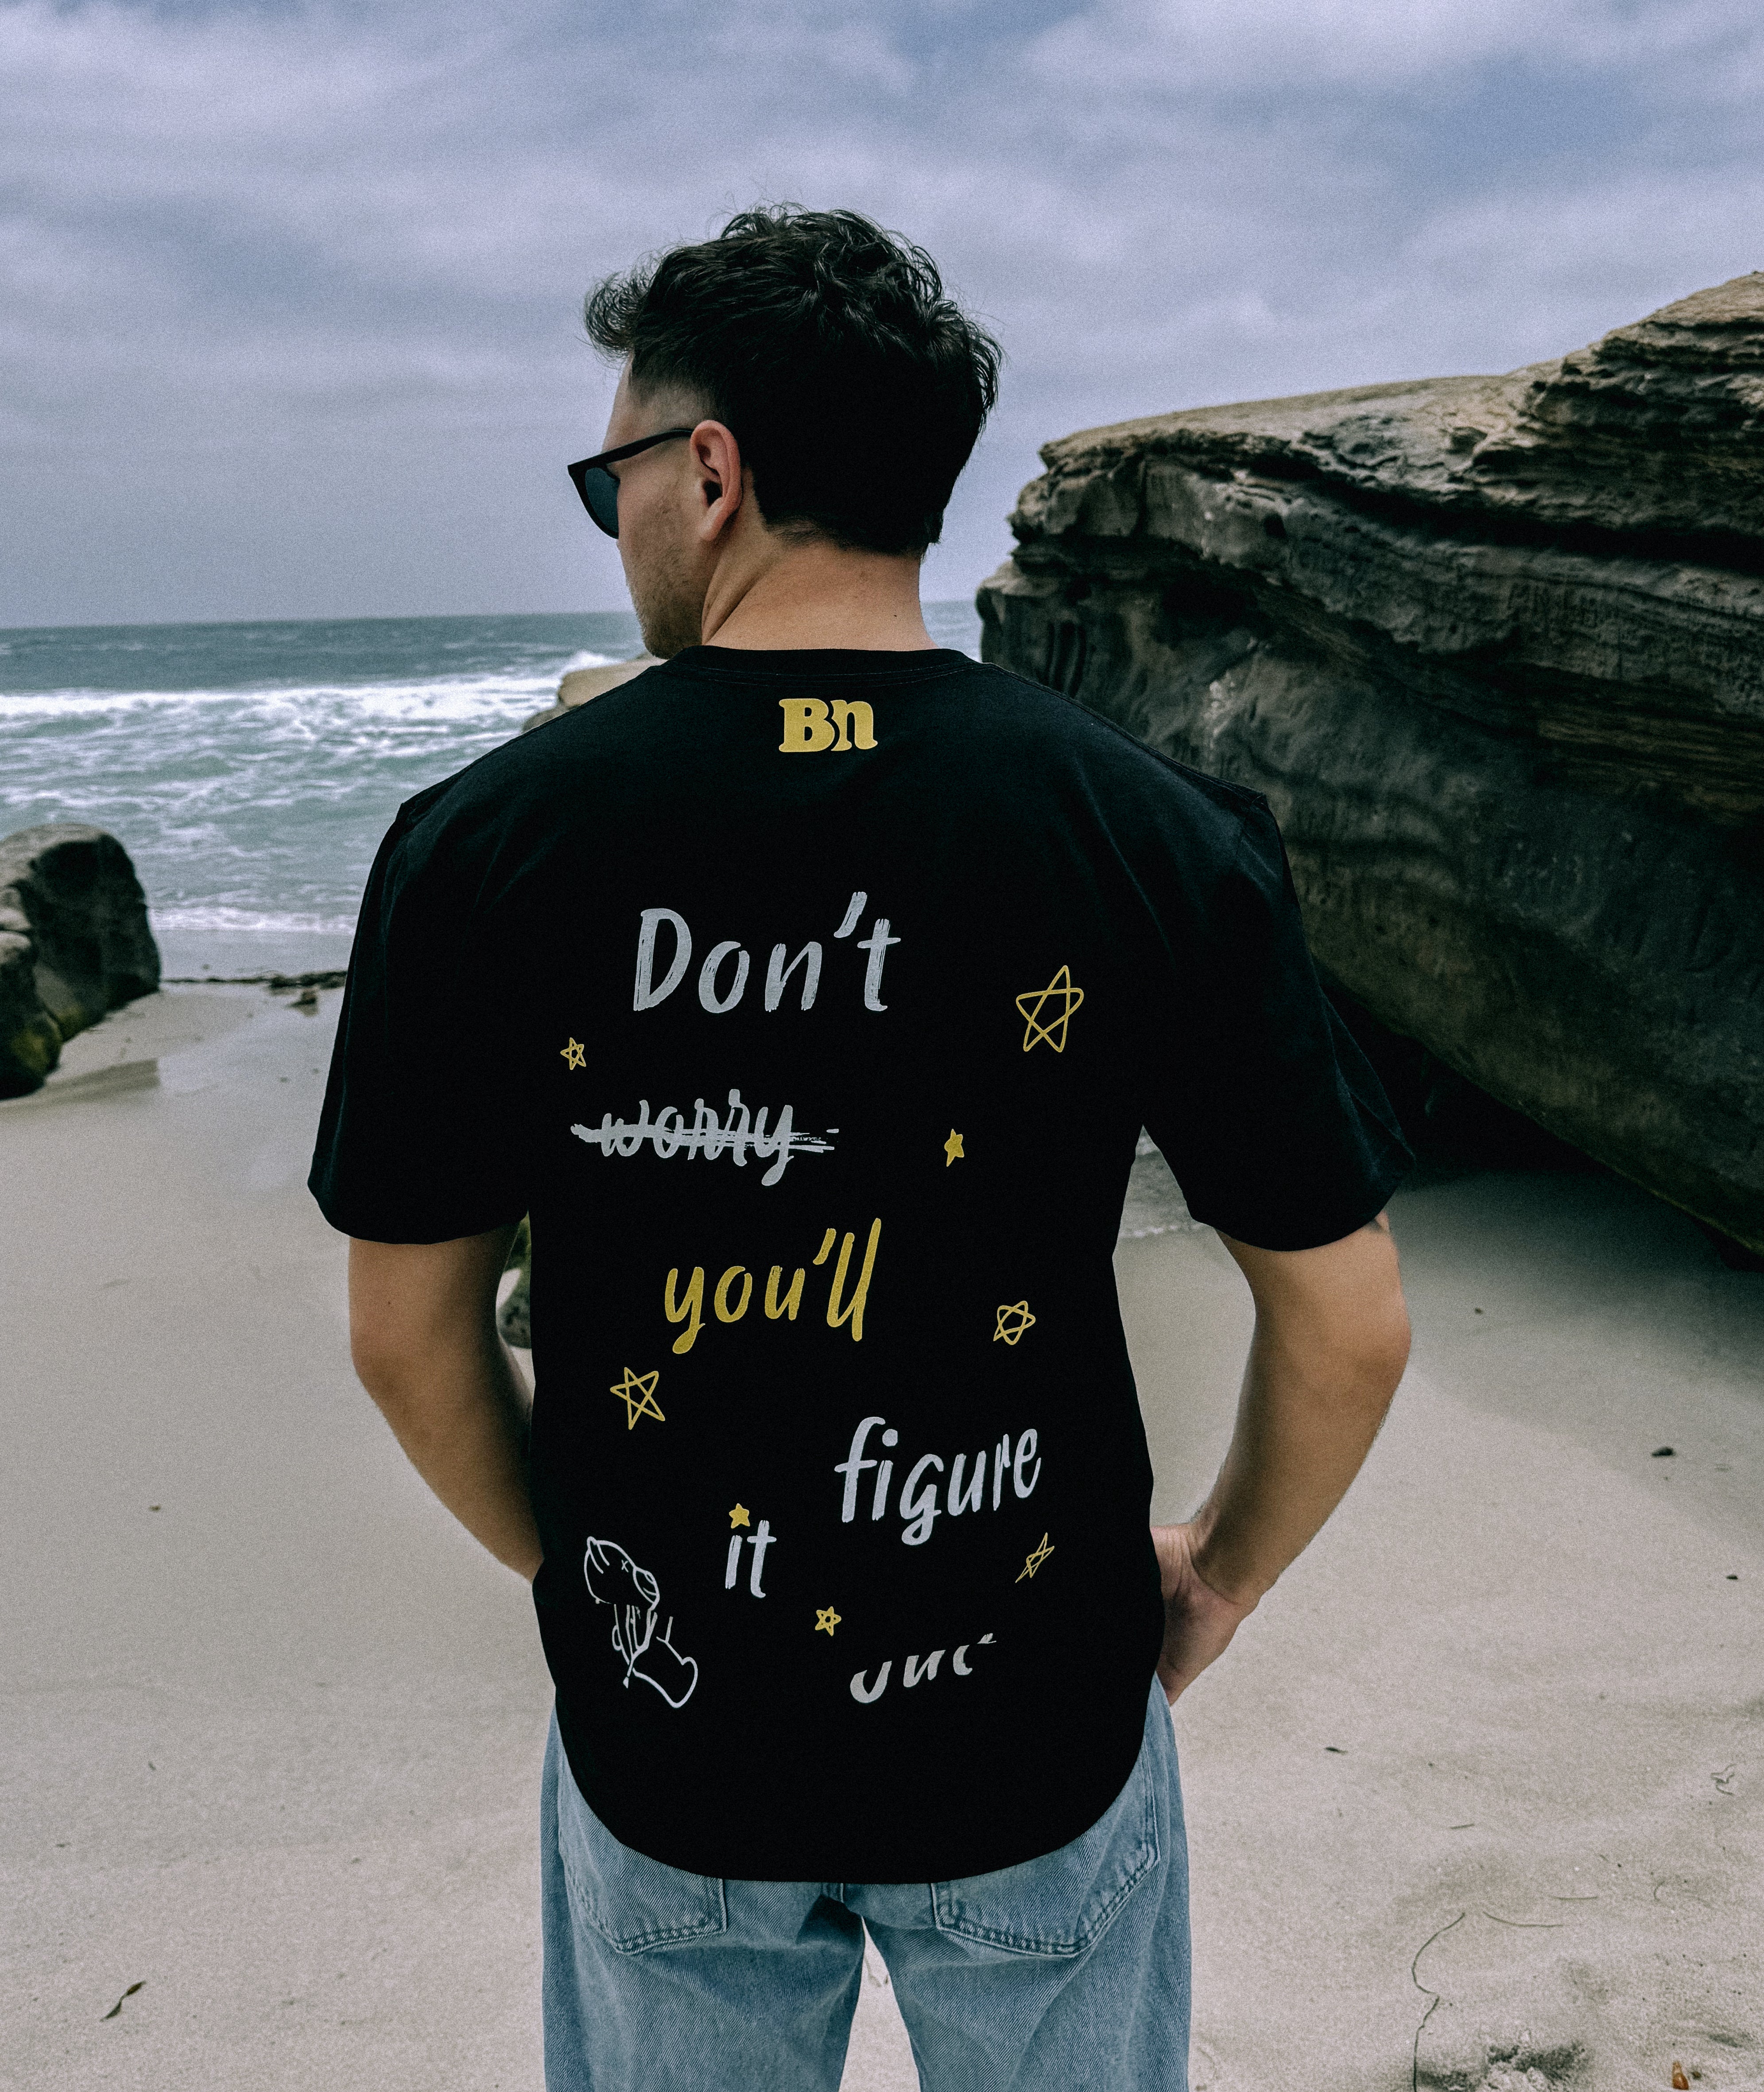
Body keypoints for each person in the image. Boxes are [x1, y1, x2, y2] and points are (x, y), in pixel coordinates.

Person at [310, 206, 1411, 2092]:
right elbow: (1352, 1320)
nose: (626, 520)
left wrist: (591, 1582)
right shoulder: (1149, 834)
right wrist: (1216, 1577)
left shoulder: (486, 850)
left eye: (615, 480)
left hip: (675, 1755)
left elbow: (409, 1337)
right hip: (1034, 1731)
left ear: (710, 471)